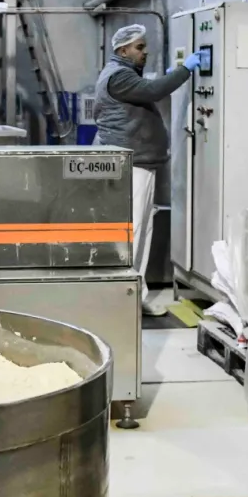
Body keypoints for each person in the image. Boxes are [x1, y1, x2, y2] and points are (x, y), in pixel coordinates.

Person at [93, 24, 203, 316]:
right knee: (133, 232)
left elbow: (148, 88)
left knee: (142, 230)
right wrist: (184, 70)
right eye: (139, 47)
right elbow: (153, 91)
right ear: (123, 51)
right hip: (131, 165)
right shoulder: (119, 76)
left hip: (140, 163)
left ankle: (135, 295)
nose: (145, 52)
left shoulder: (121, 73)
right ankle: (122, 300)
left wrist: (168, 76)